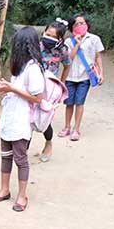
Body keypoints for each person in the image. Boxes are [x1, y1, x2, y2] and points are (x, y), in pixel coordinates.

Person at [0, 27, 45, 212]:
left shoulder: (34, 68)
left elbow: (38, 97)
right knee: (5, 156)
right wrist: (6, 87)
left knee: (21, 158)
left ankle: (22, 195)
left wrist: (11, 89)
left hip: (21, 120)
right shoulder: (20, 68)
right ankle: (4, 190)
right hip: (10, 119)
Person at [60, 13, 105, 142]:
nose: (79, 26)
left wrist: (101, 73)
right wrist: (77, 44)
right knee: (69, 103)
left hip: (85, 77)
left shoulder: (94, 39)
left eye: (82, 23)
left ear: (87, 24)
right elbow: (69, 58)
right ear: (72, 27)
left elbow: (97, 57)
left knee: (80, 103)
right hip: (70, 77)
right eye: (76, 24)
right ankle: (67, 127)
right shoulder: (69, 41)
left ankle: (76, 129)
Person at [38, 19, 71, 162]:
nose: (48, 38)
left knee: (46, 118)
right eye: (47, 34)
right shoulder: (37, 46)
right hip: (35, 86)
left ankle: (48, 143)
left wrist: (61, 84)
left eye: (52, 36)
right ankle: (23, 148)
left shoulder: (62, 50)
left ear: (60, 39)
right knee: (30, 116)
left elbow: (67, 65)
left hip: (50, 90)